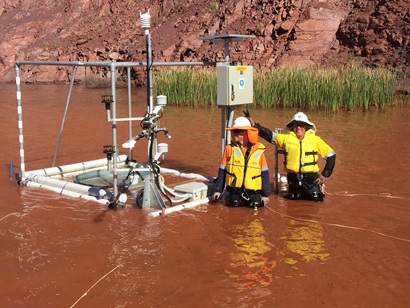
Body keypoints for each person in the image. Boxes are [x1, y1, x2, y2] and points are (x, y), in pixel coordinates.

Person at [251, 111, 336, 202]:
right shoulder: (285, 138)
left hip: (311, 181)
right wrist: (256, 126)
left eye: (301, 125)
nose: (298, 127)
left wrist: (324, 175)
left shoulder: (316, 140)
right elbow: (269, 135)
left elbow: (331, 155)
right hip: (293, 181)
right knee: (292, 202)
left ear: (306, 126)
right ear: (292, 127)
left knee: (317, 202)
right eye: (296, 125)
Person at [213, 117, 271, 208]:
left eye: (237, 131)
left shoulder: (258, 151)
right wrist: (218, 190)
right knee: (233, 210)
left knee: (256, 210)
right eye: (233, 131)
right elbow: (222, 171)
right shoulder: (229, 149)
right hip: (234, 191)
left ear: (246, 133)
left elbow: (265, 173)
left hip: (253, 193)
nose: (233, 134)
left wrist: (265, 195)